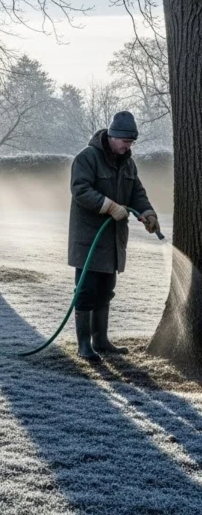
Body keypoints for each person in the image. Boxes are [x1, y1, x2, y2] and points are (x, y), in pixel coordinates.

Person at [68, 110, 160, 362]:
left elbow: (136, 193)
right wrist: (109, 205)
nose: (128, 146)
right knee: (85, 291)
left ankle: (101, 340)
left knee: (106, 291)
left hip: (113, 242)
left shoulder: (128, 163)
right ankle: (84, 345)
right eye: (125, 141)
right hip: (89, 240)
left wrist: (147, 212)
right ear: (111, 136)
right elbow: (80, 189)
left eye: (131, 142)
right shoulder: (87, 158)